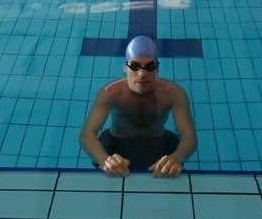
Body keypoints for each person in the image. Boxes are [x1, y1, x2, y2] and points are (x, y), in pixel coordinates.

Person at [79, 35, 196, 177]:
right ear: (125, 67)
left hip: (158, 142)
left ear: (157, 68)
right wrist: (104, 160)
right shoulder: (110, 93)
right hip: (116, 143)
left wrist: (177, 157)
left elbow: (189, 136)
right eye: (134, 66)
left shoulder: (174, 94)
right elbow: (87, 134)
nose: (142, 74)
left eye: (150, 66)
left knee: (172, 166)